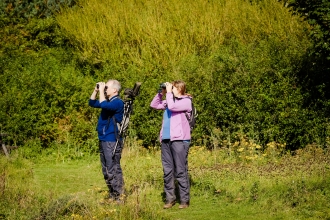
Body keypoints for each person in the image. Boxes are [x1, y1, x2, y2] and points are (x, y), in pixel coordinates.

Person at [150, 80, 192, 209]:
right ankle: (170, 199)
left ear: (179, 88)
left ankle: (184, 200)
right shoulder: (169, 100)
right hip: (166, 140)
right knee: (167, 171)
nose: (170, 89)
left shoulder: (186, 101)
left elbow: (173, 107)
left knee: (180, 170)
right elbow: (154, 105)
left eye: (172, 87)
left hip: (180, 140)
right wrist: (160, 93)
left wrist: (168, 93)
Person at [89, 79, 125, 203]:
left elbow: (103, 105)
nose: (105, 89)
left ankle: (119, 196)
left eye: (107, 87)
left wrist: (102, 93)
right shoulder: (108, 101)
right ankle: (112, 194)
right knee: (105, 169)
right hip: (104, 138)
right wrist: (96, 90)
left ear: (115, 90)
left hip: (112, 139)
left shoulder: (118, 102)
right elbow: (92, 103)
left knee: (113, 168)